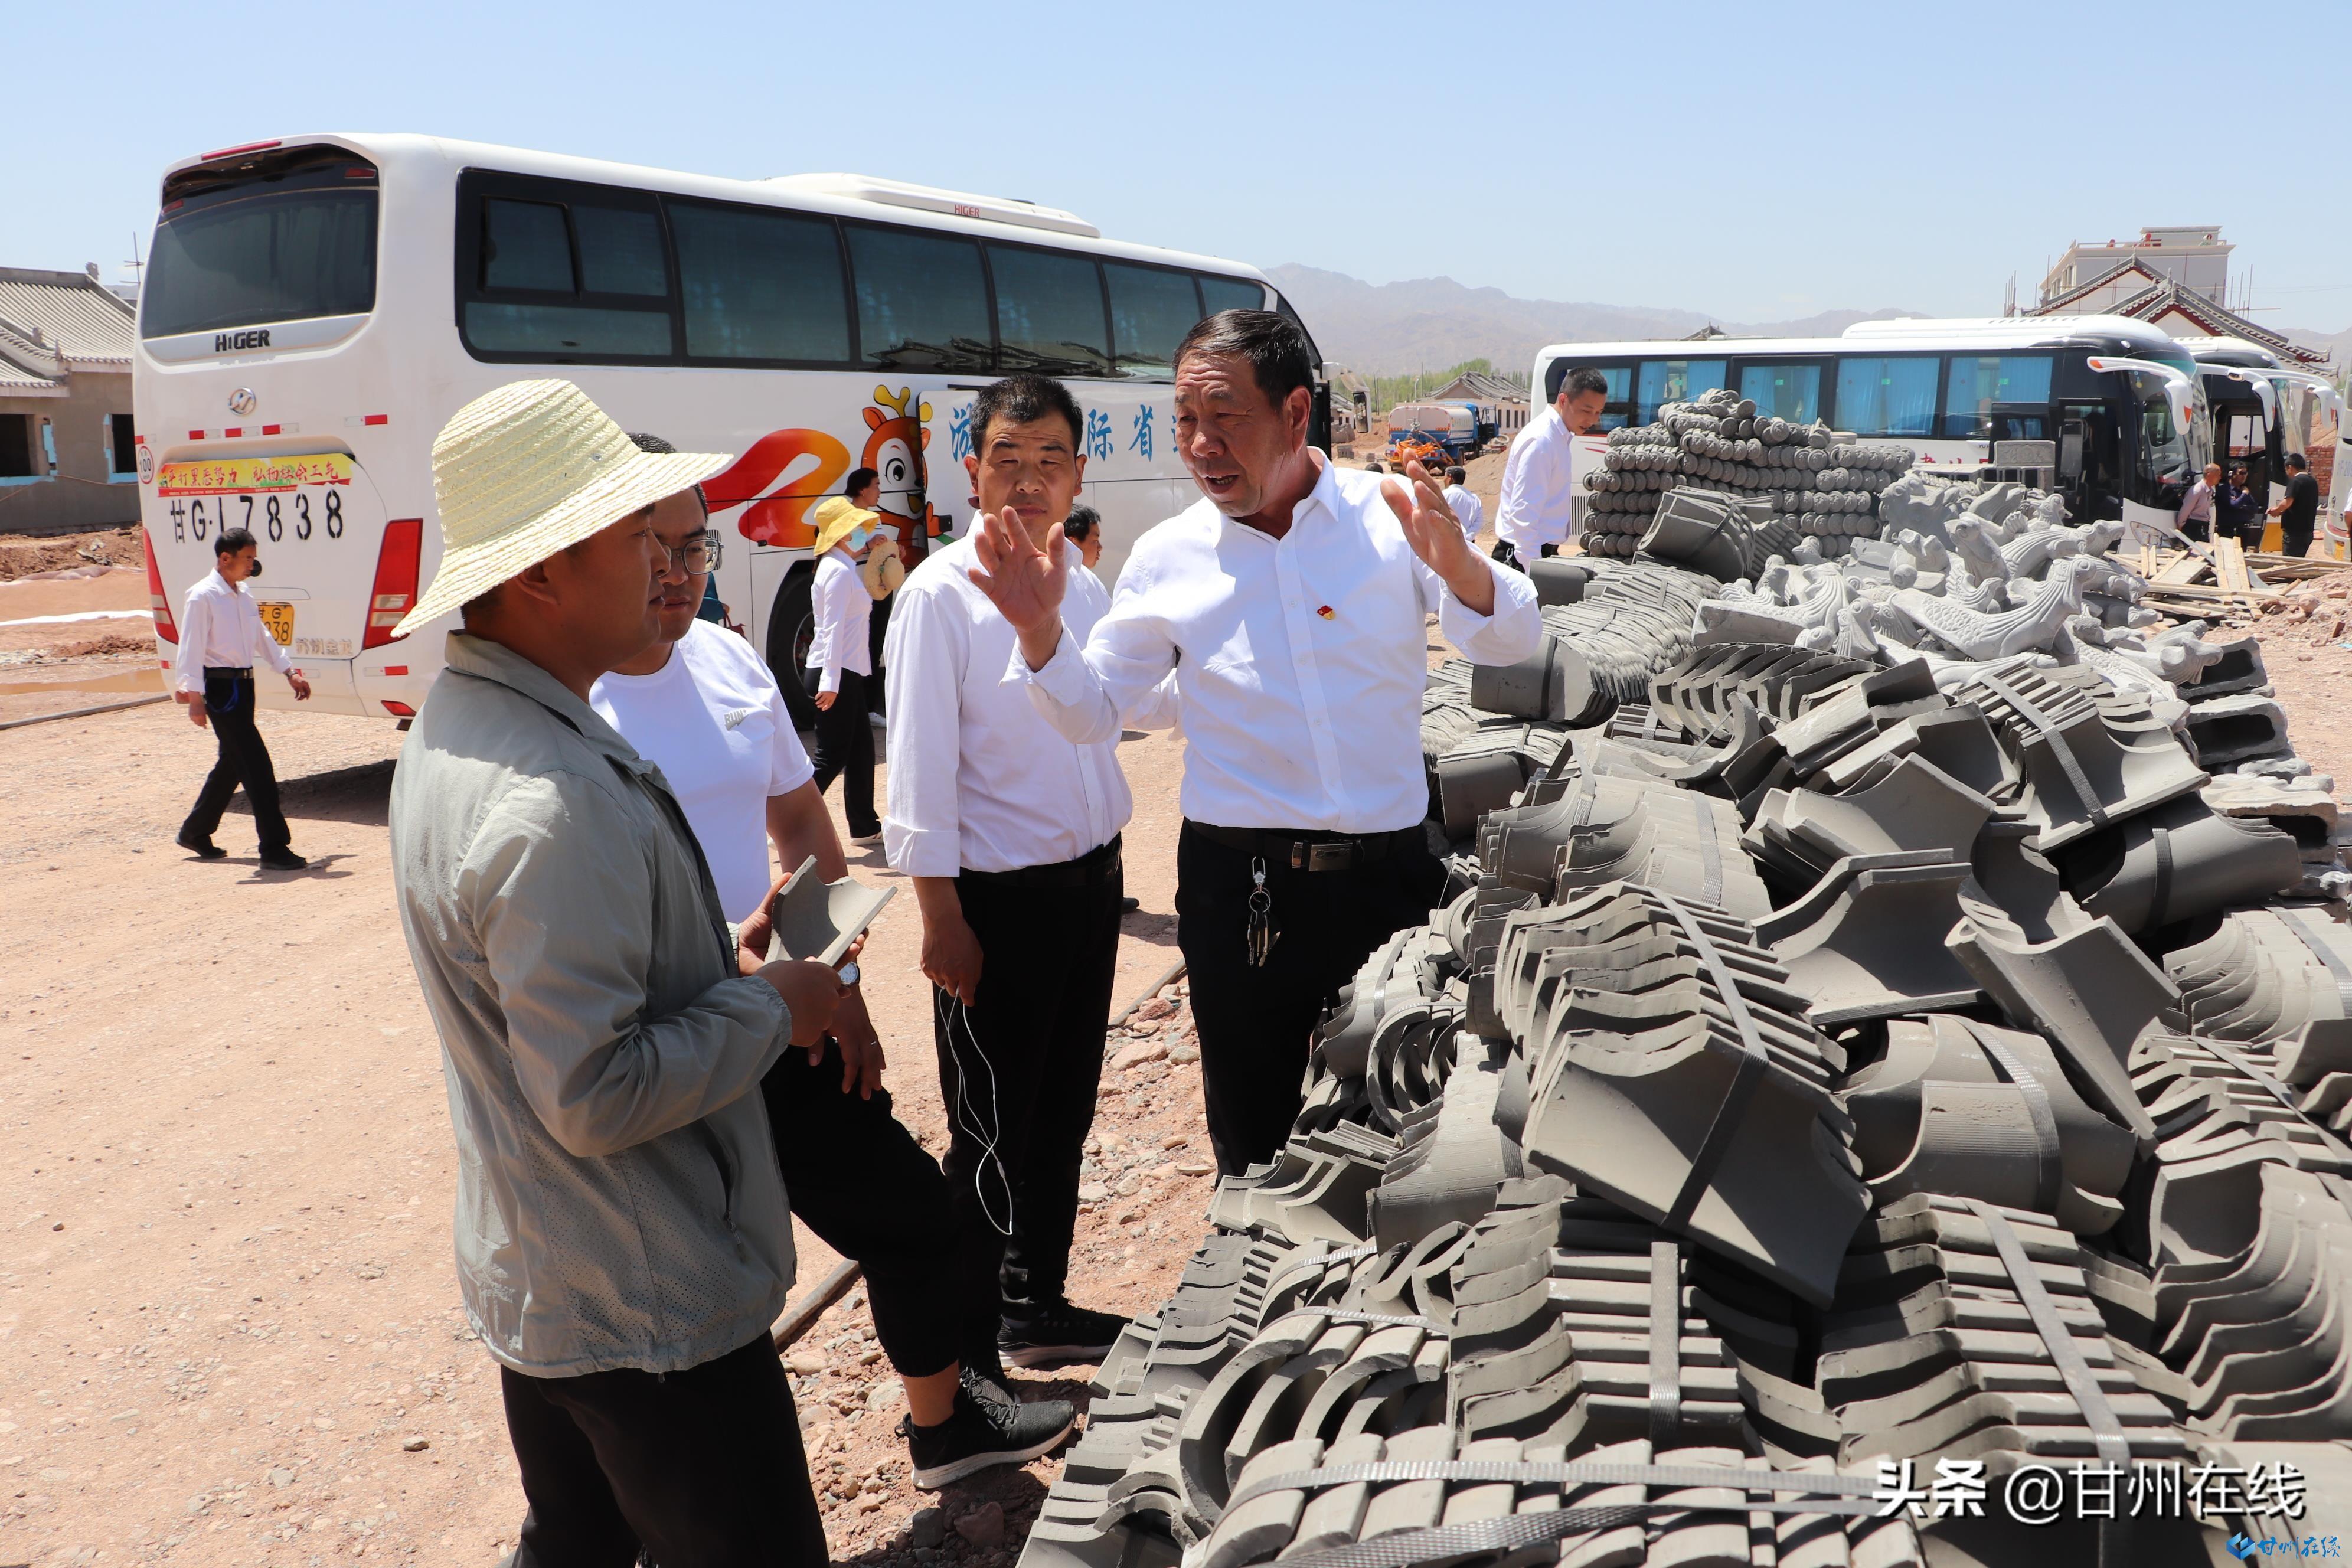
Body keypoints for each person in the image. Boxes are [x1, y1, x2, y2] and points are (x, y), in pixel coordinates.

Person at [386, 378, 849, 1566]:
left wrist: (706, 966)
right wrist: (774, 1005)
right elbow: (591, 1090)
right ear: (540, 572)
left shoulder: (462, 725)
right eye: (642, 540)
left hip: (554, 1273)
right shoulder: (550, 798)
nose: (670, 569)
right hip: (651, 1311)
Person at [588, 437, 1074, 1487]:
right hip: (661, 1048)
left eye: (694, 544)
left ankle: (942, 1426)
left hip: (780, 1016)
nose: (678, 571)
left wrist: (833, 977)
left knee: (906, 1212)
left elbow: (805, 826)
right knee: (686, 1295)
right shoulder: (570, 707)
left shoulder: (723, 661)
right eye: (649, 547)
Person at [967, 311, 1543, 1177]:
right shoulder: (1168, 558)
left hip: (1391, 883)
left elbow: (1516, 643)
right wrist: (1040, 630)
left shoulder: (1388, 515)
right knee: (1258, 1136)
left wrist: (1461, 569)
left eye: (1224, 416)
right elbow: (1093, 715)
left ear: (1297, 413)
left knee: (1408, 1116)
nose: (1201, 444)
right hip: (1243, 898)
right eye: (1186, 420)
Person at [884, 373, 1137, 1377]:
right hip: (996, 911)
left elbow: (1106, 718)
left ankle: (1036, 1306)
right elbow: (916, 773)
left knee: (1062, 1113)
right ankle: (967, 1361)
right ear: (970, 467)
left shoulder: (1084, 585)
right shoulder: (937, 599)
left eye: (1049, 461)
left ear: (1077, 470)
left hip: (1087, 891)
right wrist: (940, 918)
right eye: (1006, 458)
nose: (1027, 482)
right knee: (987, 1134)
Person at [172, 526, 313, 868]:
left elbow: (261, 636)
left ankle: (195, 831)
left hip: (243, 687)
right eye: (248, 558)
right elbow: (190, 649)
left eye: (253, 557)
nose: (253, 563)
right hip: (221, 691)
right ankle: (274, 847)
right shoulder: (202, 596)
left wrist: (289, 671)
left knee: (233, 763)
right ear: (226, 558)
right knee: (257, 767)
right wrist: (195, 698)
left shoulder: (243, 595)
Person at [803, 495, 882, 842]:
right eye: (854, 529)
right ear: (838, 535)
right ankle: (788, 817)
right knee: (831, 756)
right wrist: (831, 682)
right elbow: (832, 629)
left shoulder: (840, 566)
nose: (861, 534)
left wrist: (874, 548)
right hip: (834, 672)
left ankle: (865, 827)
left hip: (841, 671)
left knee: (861, 750)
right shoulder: (836, 571)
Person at [1494, 367, 1605, 569]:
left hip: (1535, 552)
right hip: (1522, 556)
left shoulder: (1558, 436)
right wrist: (1533, 568)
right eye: (1587, 411)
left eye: (1599, 412)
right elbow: (1523, 512)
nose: (1593, 420)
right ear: (1564, 400)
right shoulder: (1542, 440)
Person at [2271, 452, 2321, 557]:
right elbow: (2301, 505)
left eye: (2286, 470)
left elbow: (2287, 502)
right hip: (2307, 532)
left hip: (2294, 533)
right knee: (2299, 561)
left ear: (2290, 467)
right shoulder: (2313, 482)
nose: (2287, 473)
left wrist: (2276, 510)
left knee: (2290, 563)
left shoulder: (2296, 481)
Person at [2216, 462, 2262, 543]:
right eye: (2241, 473)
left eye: (2245, 473)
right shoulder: (2224, 490)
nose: (2244, 476)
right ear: (2231, 474)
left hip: (2243, 530)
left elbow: (2255, 508)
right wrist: (2244, 495)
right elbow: (2234, 505)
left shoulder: (2244, 489)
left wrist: (2243, 506)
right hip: (2228, 530)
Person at [1062, 502, 1106, 582]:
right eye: (1095, 540)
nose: (1100, 547)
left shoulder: (1092, 582)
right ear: (1072, 542)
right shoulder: (1059, 582)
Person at [2177, 462, 2220, 543]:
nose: (2220, 478)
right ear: (2209, 475)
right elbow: (2186, 509)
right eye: (2218, 475)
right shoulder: (2197, 490)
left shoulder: (2210, 490)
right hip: (2193, 527)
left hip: (2203, 526)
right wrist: (2180, 525)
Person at [1443, 464, 1484, 540]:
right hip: (1467, 544)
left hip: (1445, 542)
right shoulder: (1475, 499)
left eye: (1445, 477)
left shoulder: (1442, 496)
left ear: (1450, 477)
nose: (1444, 480)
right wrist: (1466, 538)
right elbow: (1479, 522)